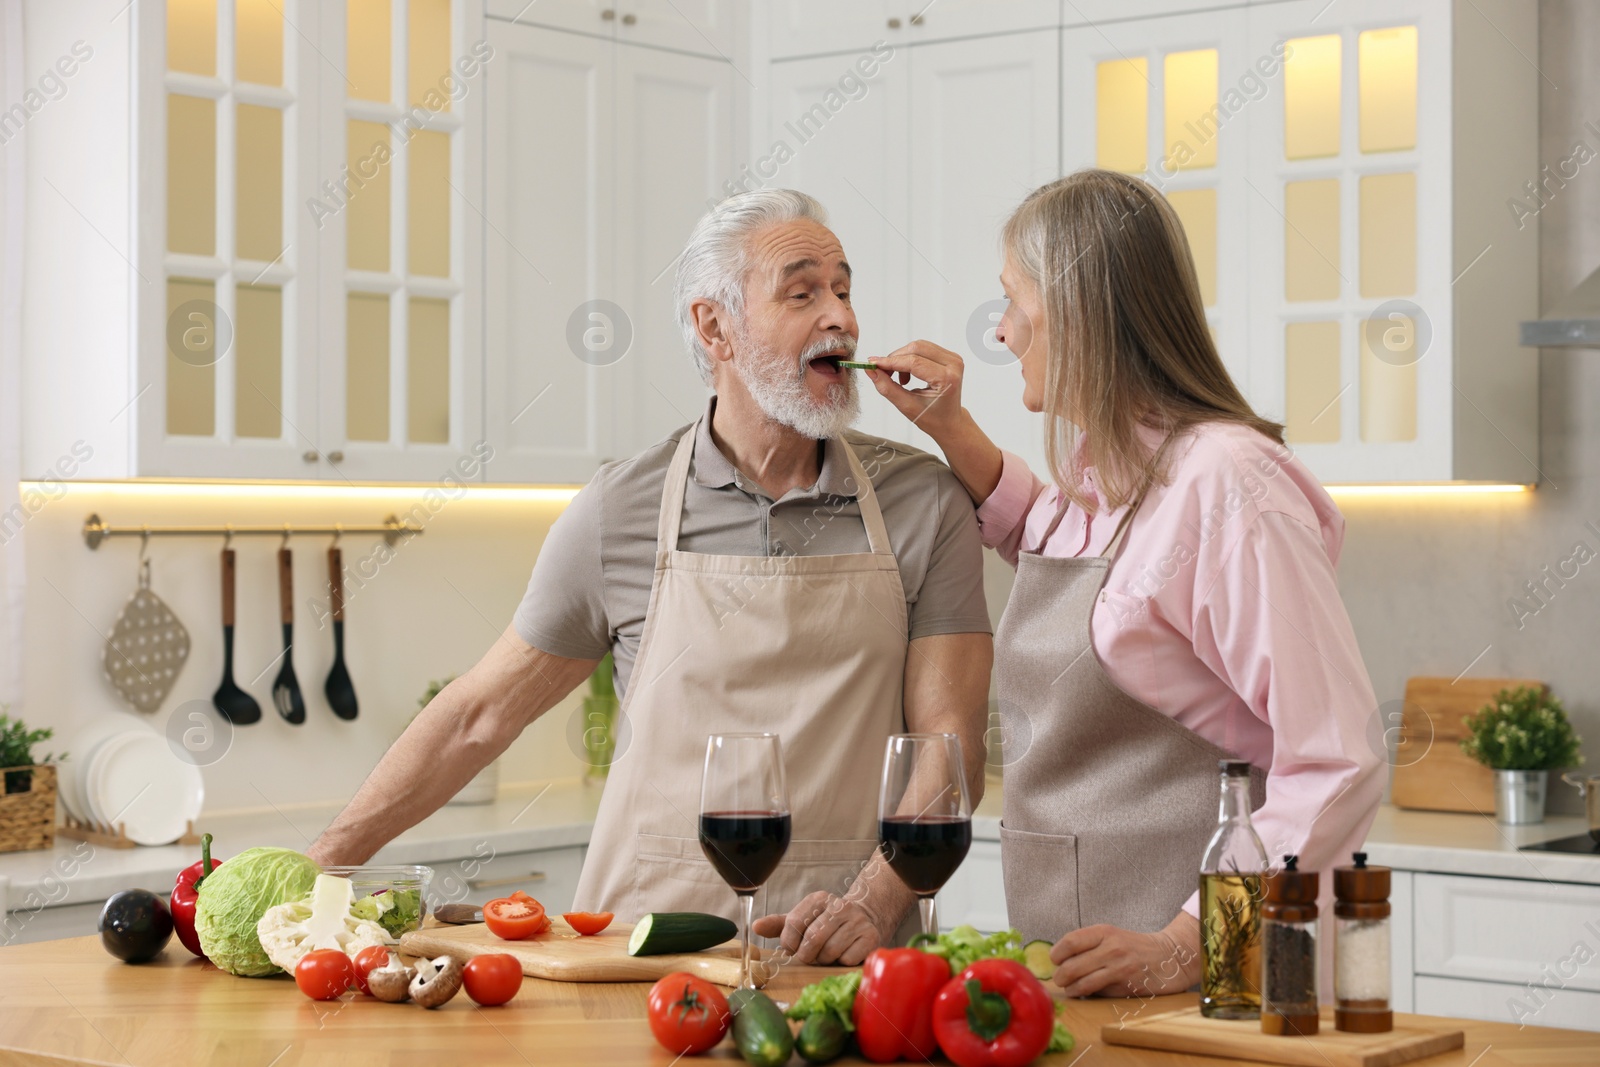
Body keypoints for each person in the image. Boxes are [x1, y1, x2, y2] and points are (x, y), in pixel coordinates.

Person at [308, 189, 993, 966]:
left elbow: (951, 743)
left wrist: (874, 901)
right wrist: (321, 865)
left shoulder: (921, 501)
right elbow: (480, 715)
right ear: (714, 327)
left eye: (843, 289)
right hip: (638, 963)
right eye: (803, 293)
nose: (841, 317)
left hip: (843, 958)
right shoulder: (618, 510)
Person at [864, 169, 1383, 997]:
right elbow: (1068, 551)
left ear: (1071, 311)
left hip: (1211, 982)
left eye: (1013, 300)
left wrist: (1193, 942)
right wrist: (949, 428)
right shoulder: (1112, 470)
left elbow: (1337, 761)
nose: (1000, 333)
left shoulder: (1228, 484)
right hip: (1082, 978)